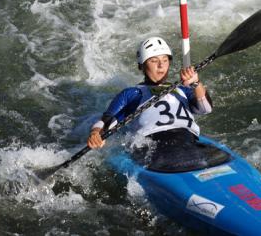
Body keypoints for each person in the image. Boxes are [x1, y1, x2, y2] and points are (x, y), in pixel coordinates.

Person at [87, 37, 217, 170]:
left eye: (165, 60)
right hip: (153, 147)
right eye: (154, 61)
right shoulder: (132, 93)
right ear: (141, 66)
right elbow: (106, 121)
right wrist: (95, 133)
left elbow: (205, 109)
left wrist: (196, 83)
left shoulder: (183, 88)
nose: (161, 65)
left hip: (186, 140)